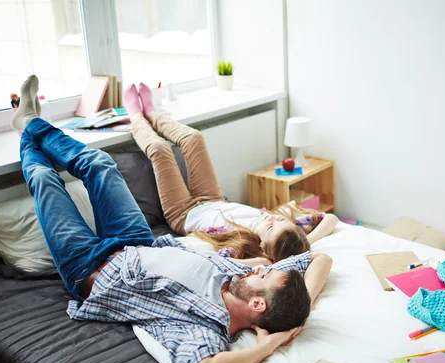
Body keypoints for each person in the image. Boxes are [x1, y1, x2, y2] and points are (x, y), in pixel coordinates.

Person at [11, 75, 333, 363]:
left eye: (267, 274)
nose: (263, 265)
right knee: (100, 163)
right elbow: (320, 258)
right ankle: (30, 122)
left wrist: (269, 344)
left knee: (44, 179)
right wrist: (294, 313)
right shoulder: (238, 277)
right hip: (137, 239)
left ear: (258, 304)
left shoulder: (206, 329)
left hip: (90, 270)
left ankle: (27, 123)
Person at [123, 82, 339, 263]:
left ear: (263, 245)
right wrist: (307, 243)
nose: (273, 219)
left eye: (271, 227)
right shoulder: (290, 232)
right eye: (280, 221)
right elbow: (329, 218)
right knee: (194, 139)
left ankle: (136, 116)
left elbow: (224, 263)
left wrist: (267, 261)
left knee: (160, 150)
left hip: (183, 213)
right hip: (212, 198)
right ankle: (152, 113)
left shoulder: (243, 245)